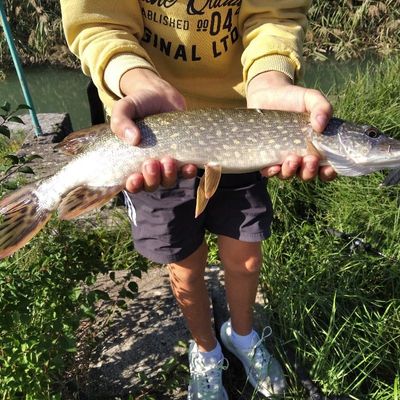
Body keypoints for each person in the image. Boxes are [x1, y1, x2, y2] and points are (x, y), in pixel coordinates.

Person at [61, 1, 336, 398]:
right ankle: (205, 350)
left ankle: (242, 335)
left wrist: (269, 79)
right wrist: (135, 78)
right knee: (185, 264)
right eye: (373, 137)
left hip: (246, 122)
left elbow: (275, 14)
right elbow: (97, 22)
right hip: (146, 124)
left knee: (246, 258)